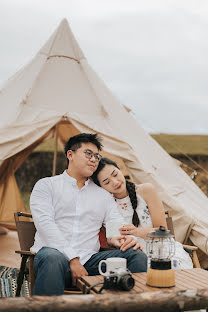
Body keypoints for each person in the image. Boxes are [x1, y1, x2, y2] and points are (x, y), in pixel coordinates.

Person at [30, 133, 147, 295]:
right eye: (88, 154)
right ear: (70, 154)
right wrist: (72, 259)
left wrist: (125, 239)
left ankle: (128, 306)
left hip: (90, 262)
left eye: (97, 156)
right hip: (53, 259)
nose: (94, 159)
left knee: (136, 255)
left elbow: (115, 225)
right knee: (53, 257)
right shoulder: (46, 186)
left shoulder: (103, 195)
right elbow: (45, 225)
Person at [91, 157, 193, 270]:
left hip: (161, 249)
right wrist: (116, 240)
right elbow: (112, 240)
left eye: (115, 174)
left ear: (120, 169)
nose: (115, 182)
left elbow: (162, 231)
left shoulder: (146, 190)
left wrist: (137, 232)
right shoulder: (107, 205)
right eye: (107, 182)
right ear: (101, 188)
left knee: (165, 269)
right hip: (134, 254)